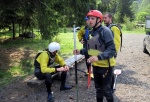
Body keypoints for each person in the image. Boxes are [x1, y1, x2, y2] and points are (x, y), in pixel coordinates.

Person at [73, 10, 116, 102]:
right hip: (96, 65)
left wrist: (98, 57)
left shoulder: (106, 31)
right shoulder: (92, 32)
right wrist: (80, 51)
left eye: (93, 18)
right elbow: (92, 49)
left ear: (99, 20)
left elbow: (112, 50)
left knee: (107, 91)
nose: (90, 20)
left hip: (106, 66)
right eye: (89, 18)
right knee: (98, 90)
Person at [103, 12, 122, 92]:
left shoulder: (114, 28)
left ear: (110, 18)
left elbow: (117, 42)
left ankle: (110, 89)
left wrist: (113, 53)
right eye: (103, 18)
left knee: (110, 70)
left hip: (110, 53)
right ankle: (107, 87)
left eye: (105, 18)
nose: (104, 19)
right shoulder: (106, 27)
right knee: (106, 70)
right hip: (105, 53)